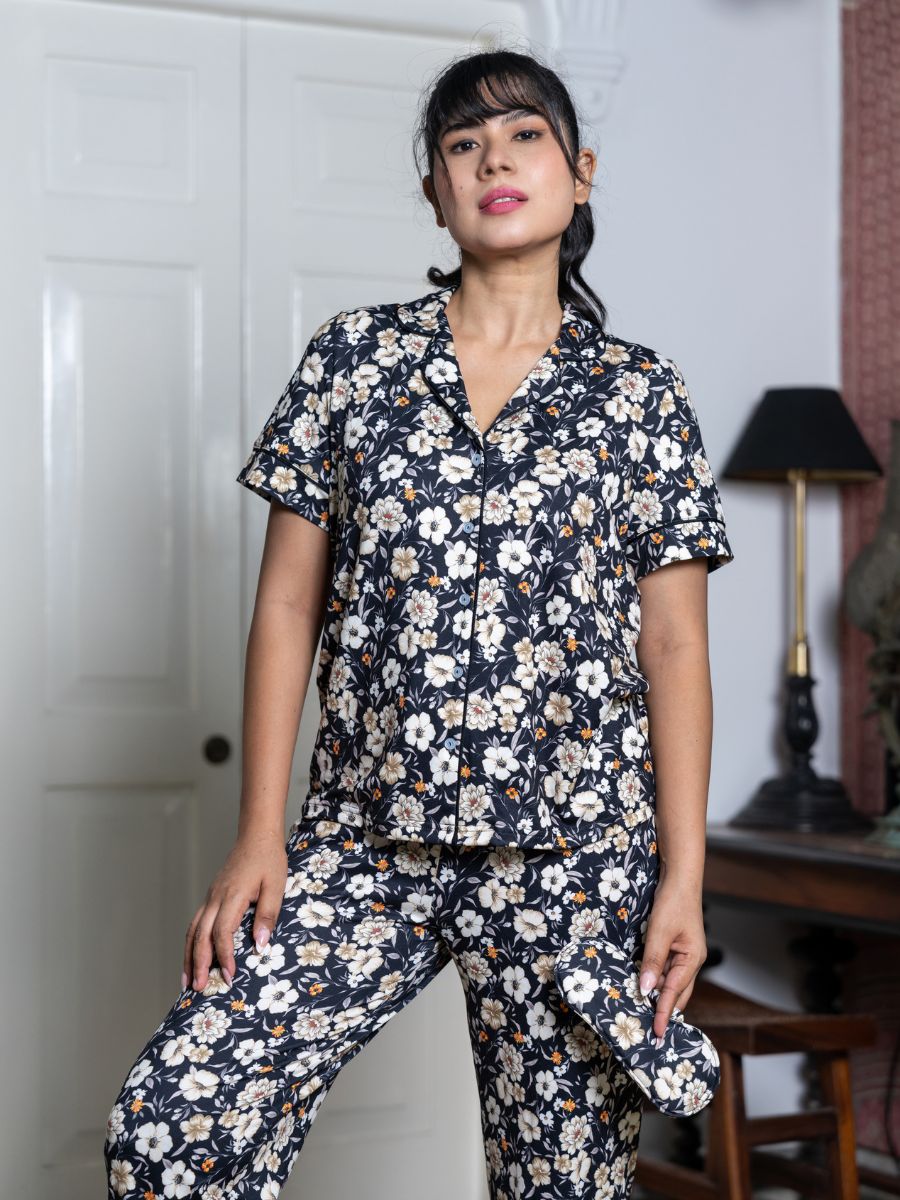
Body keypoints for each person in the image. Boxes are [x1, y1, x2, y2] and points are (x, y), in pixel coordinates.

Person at [104, 47, 734, 1200]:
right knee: (173, 1124)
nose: (494, 156)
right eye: (462, 144)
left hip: (577, 861)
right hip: (365, 841)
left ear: (579, 172)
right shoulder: (355, 359)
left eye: (523, 134)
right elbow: (289, 603)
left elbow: (675, 647)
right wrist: (260, 833)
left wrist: (681, 881)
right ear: (438, 196)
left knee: (563, 1187)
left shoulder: (641, 396)